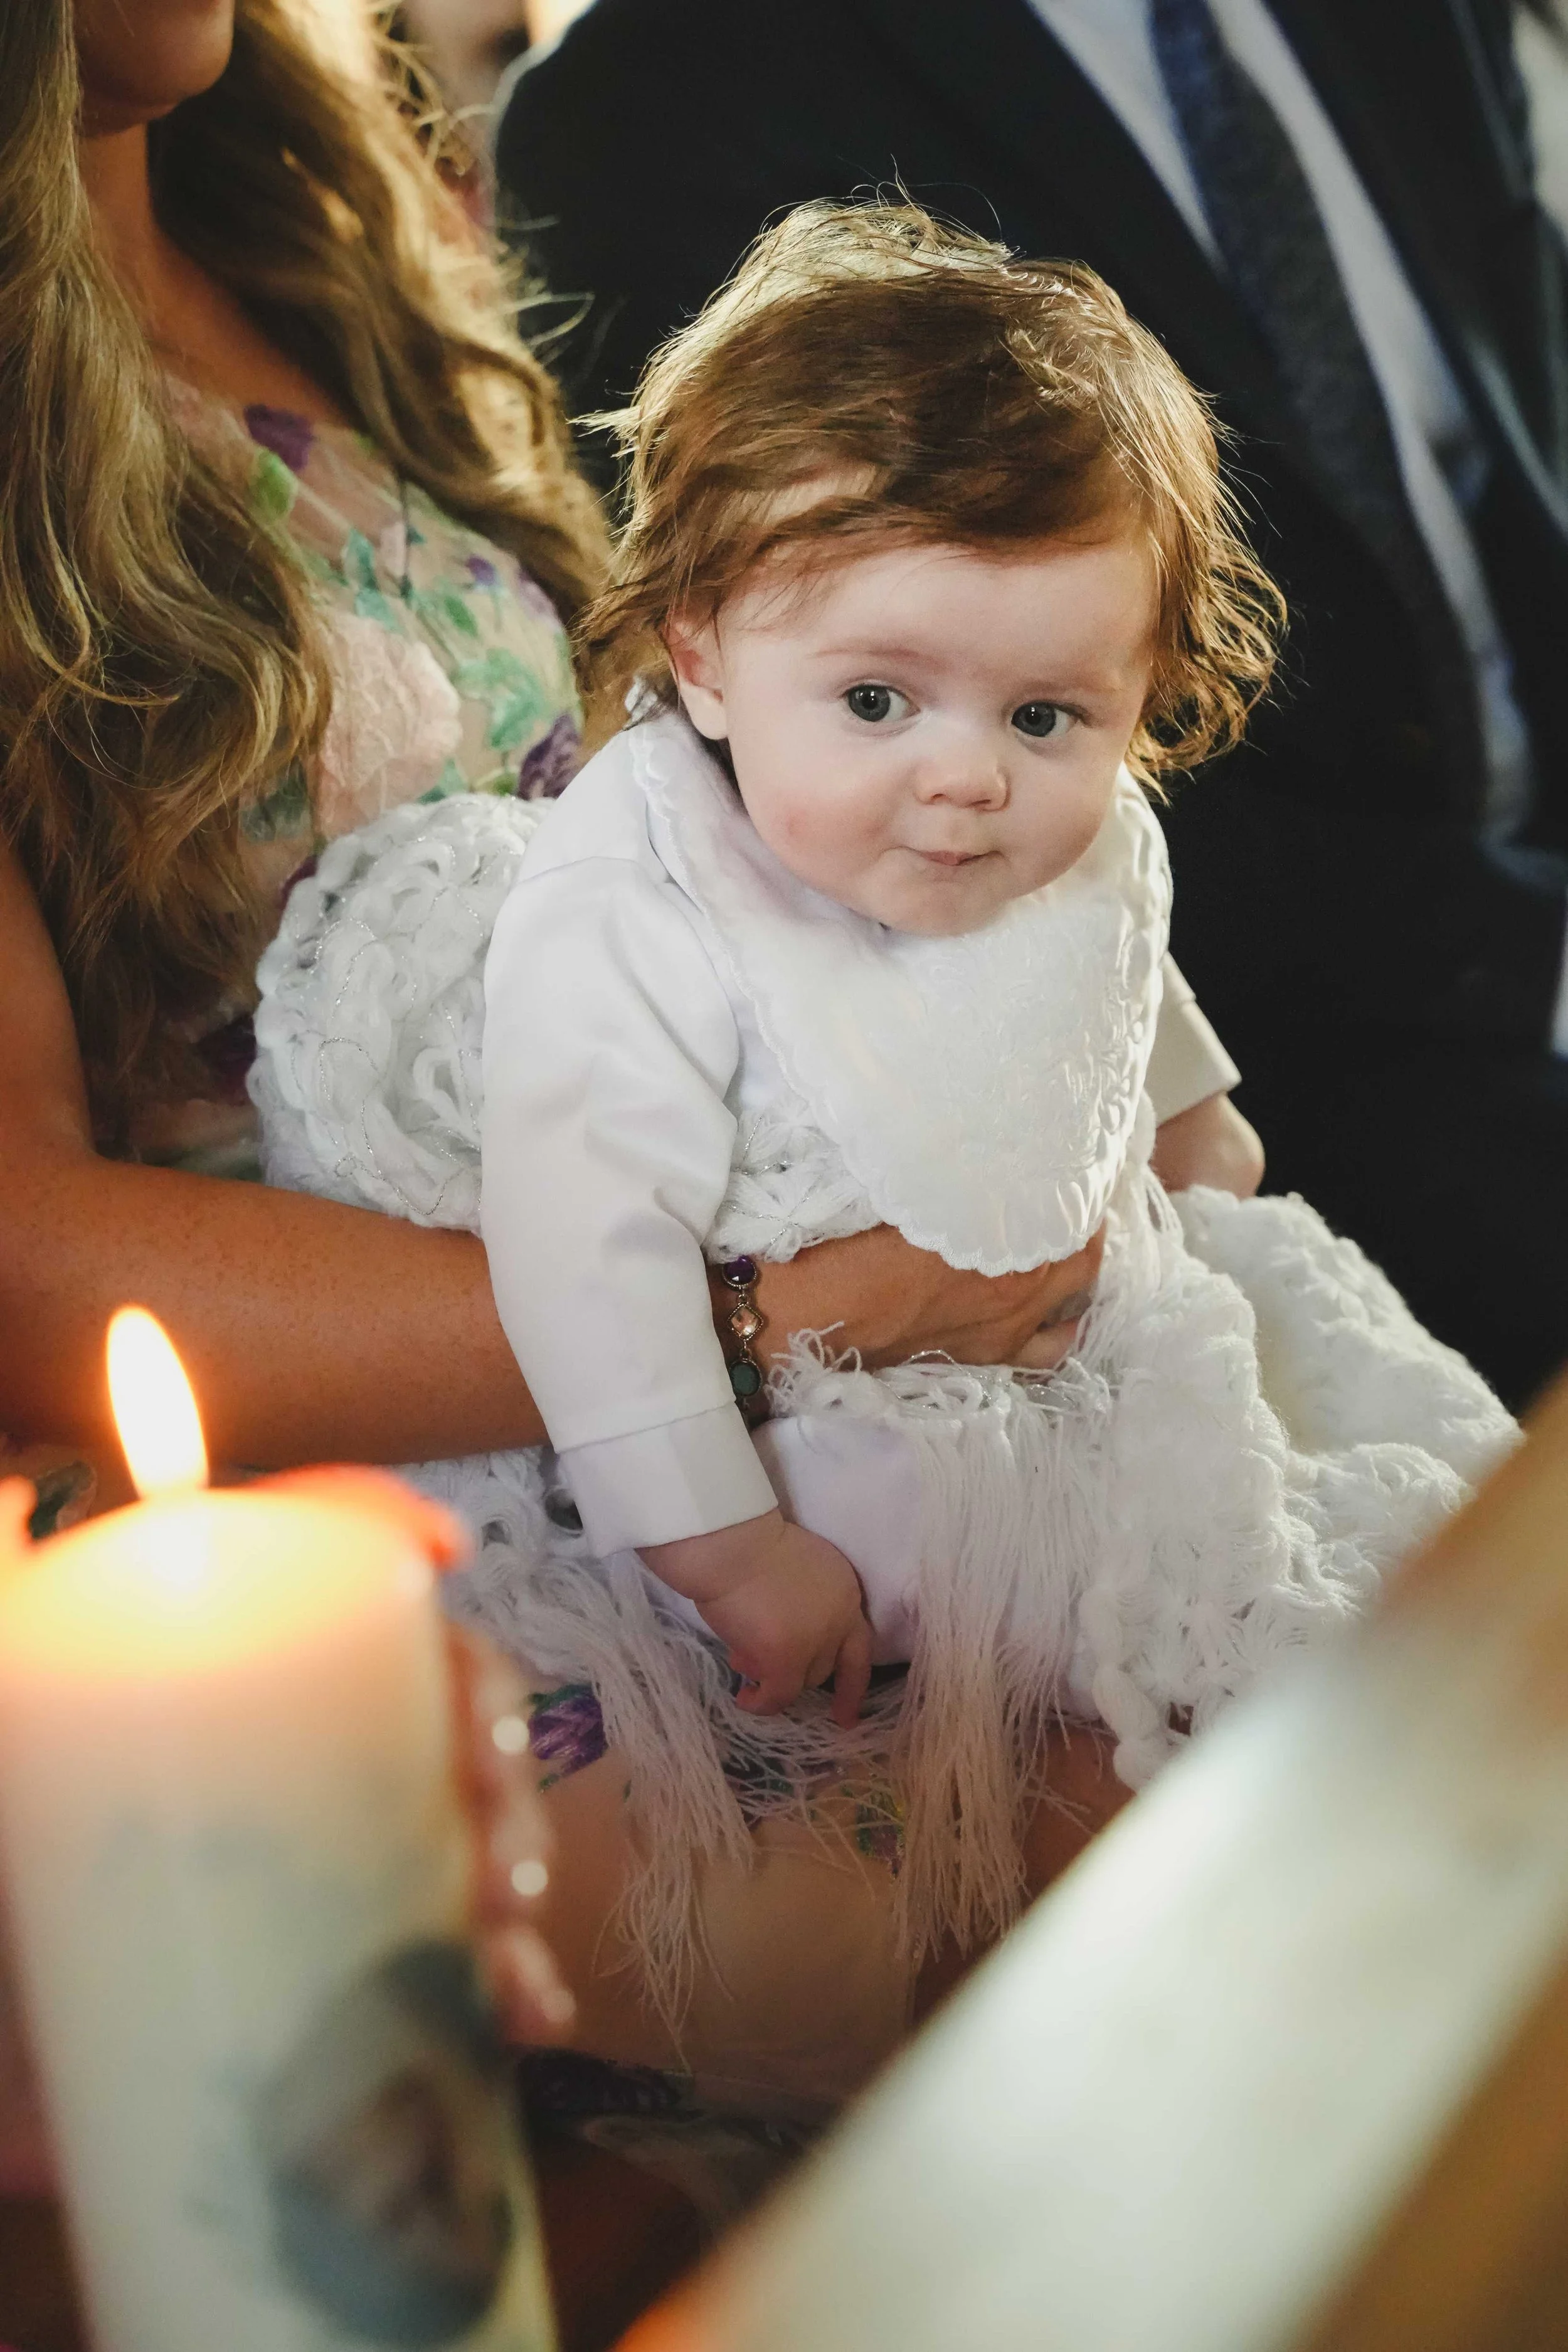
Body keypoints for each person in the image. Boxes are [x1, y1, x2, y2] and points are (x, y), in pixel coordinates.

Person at [0, 0, 1173, 2127]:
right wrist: (759, 1336)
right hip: (382, 1481)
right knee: (1066, 1914)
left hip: (751, 1273)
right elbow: (24, 1255)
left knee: (1284, 1719)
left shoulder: (313, 225)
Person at [252, 204, 1510, 2015]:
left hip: (1085, 1372)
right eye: (872, 698)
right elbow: (582, 1240)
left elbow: (1103, 971)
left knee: (1397, 1637)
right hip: (801, 1475)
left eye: (1051, 717)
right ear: (696, 653)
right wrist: (723, 1540)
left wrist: (1188, 1143)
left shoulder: (1060, 819)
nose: (964, 781)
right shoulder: (641, 892)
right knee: (1136, 1851)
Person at [495, 0, 1568, 1410]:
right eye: (889, 699)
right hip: (1322, 1053)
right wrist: (1528, 954)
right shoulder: (671, 88)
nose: (963, 765)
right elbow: (884, 723)